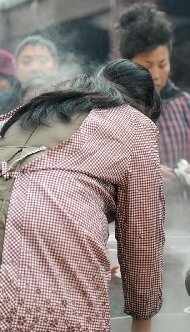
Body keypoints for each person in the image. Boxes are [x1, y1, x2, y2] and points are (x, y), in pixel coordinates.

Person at [0, 58, 165, 331]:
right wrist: (142, 318)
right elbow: (142, 235)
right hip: (48, 308)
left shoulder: (22, 113)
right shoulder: (135, 124)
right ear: (143, 108)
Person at [117, 3, 190, 229]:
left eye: (162, 64)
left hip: (187, 219)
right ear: (129, 64)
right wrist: (144, 172)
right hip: (134, 221)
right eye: (146, 65)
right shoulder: (116, 109)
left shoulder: (188, 105)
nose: (156, 74)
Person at [0, 35, 60, 115]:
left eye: (42, 60)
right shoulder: (2, 102)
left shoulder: (71, 100)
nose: (34, 68)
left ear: (55, 66)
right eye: (26, 61)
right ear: (16, 68)